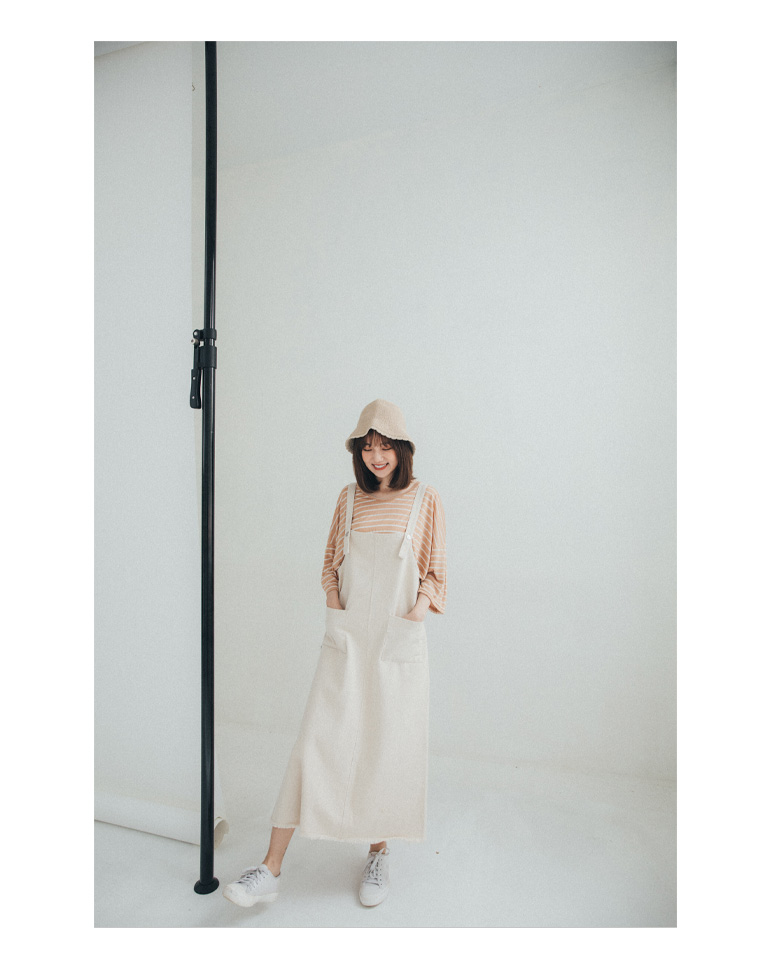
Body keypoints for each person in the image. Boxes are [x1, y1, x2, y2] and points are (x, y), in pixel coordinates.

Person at [223, 399, 447, 909]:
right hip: (346, 639)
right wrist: (334, 605)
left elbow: (436, 573)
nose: (376, 456)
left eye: (384, 446)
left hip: (396, 641)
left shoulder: (424, 498)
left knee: (383, 745)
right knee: (315, 743)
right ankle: (270, 867)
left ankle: (377, 852)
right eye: (367, 448)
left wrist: (415, 613)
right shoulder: (348, 499)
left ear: (402, 449)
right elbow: (330, 564)